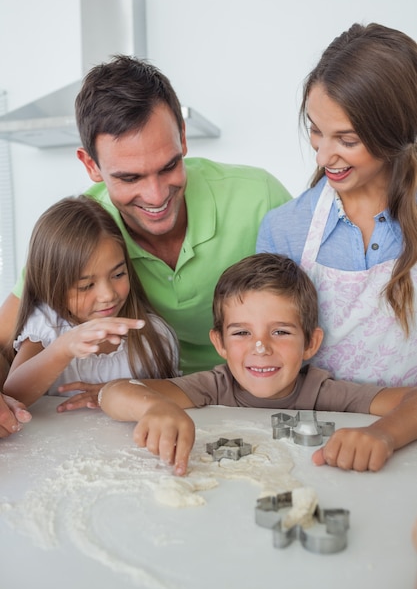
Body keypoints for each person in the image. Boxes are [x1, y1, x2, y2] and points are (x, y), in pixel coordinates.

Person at [0, 56, 291, 389]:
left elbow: (314, 315)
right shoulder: (86, 229)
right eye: (129, 177)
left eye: (168, 167)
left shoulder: (260, 198)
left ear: (182, 137)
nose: (155, 196)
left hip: (254, 387)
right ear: (91, 165)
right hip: (156, 393)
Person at [96, 253, 417, 476]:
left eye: (280, 331)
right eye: (242, 333)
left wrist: (383, 435)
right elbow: (116, 391)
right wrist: (154, 408)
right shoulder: (213, 386)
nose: (260, 348)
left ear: (311, 343)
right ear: (219, 342)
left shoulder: (321, 391)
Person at [256, 22, 417, 387]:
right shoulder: (284, 230)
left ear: (396, 133)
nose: (323, 157)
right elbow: (269, 356)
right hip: (320, 432)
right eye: (315, 130)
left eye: (346, 139)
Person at [3, 196, 179, 408]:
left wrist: (115, 393)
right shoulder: (47, 327)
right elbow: (13, 393)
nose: (107, 295)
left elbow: (173, 400)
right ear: (51, 286)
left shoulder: (154, 338)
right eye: (86, 286)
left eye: (118, 274)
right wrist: (64, 348)